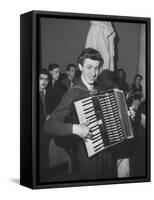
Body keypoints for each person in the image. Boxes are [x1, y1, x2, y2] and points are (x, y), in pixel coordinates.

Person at [45, 48, 116, 180]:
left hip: (107, 151)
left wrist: (125, 116)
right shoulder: (74, 92)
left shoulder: (99, 88)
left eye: (96, 68)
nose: (93, 73)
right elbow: (49, 125)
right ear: (80, 67)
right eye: (89, 67)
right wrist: (76, 129)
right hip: (89, 155)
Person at [39, 69, 51, 182]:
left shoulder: (45, 92)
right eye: (41, 79)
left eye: (46, 79)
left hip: (45, 129)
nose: (44, 82)